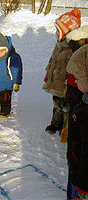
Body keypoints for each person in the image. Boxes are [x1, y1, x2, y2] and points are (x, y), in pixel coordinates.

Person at [42, 8, 81, 134]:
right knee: (57, 104)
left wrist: (67, 85)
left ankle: (66, 127)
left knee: (67, 107)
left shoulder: (73, 47)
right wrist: (49, 72)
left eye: (59, 30)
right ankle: (56, 123)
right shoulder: (59, 44)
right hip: (56, 80)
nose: (56, 33)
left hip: (66, 84)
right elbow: (52, 59)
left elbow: (73, 70)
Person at [66, 43, 88, 200]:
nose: (76, 82)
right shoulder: (84, 102)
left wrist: (83, 187)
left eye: (78, 78)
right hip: (76, 170)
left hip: (82, 180)